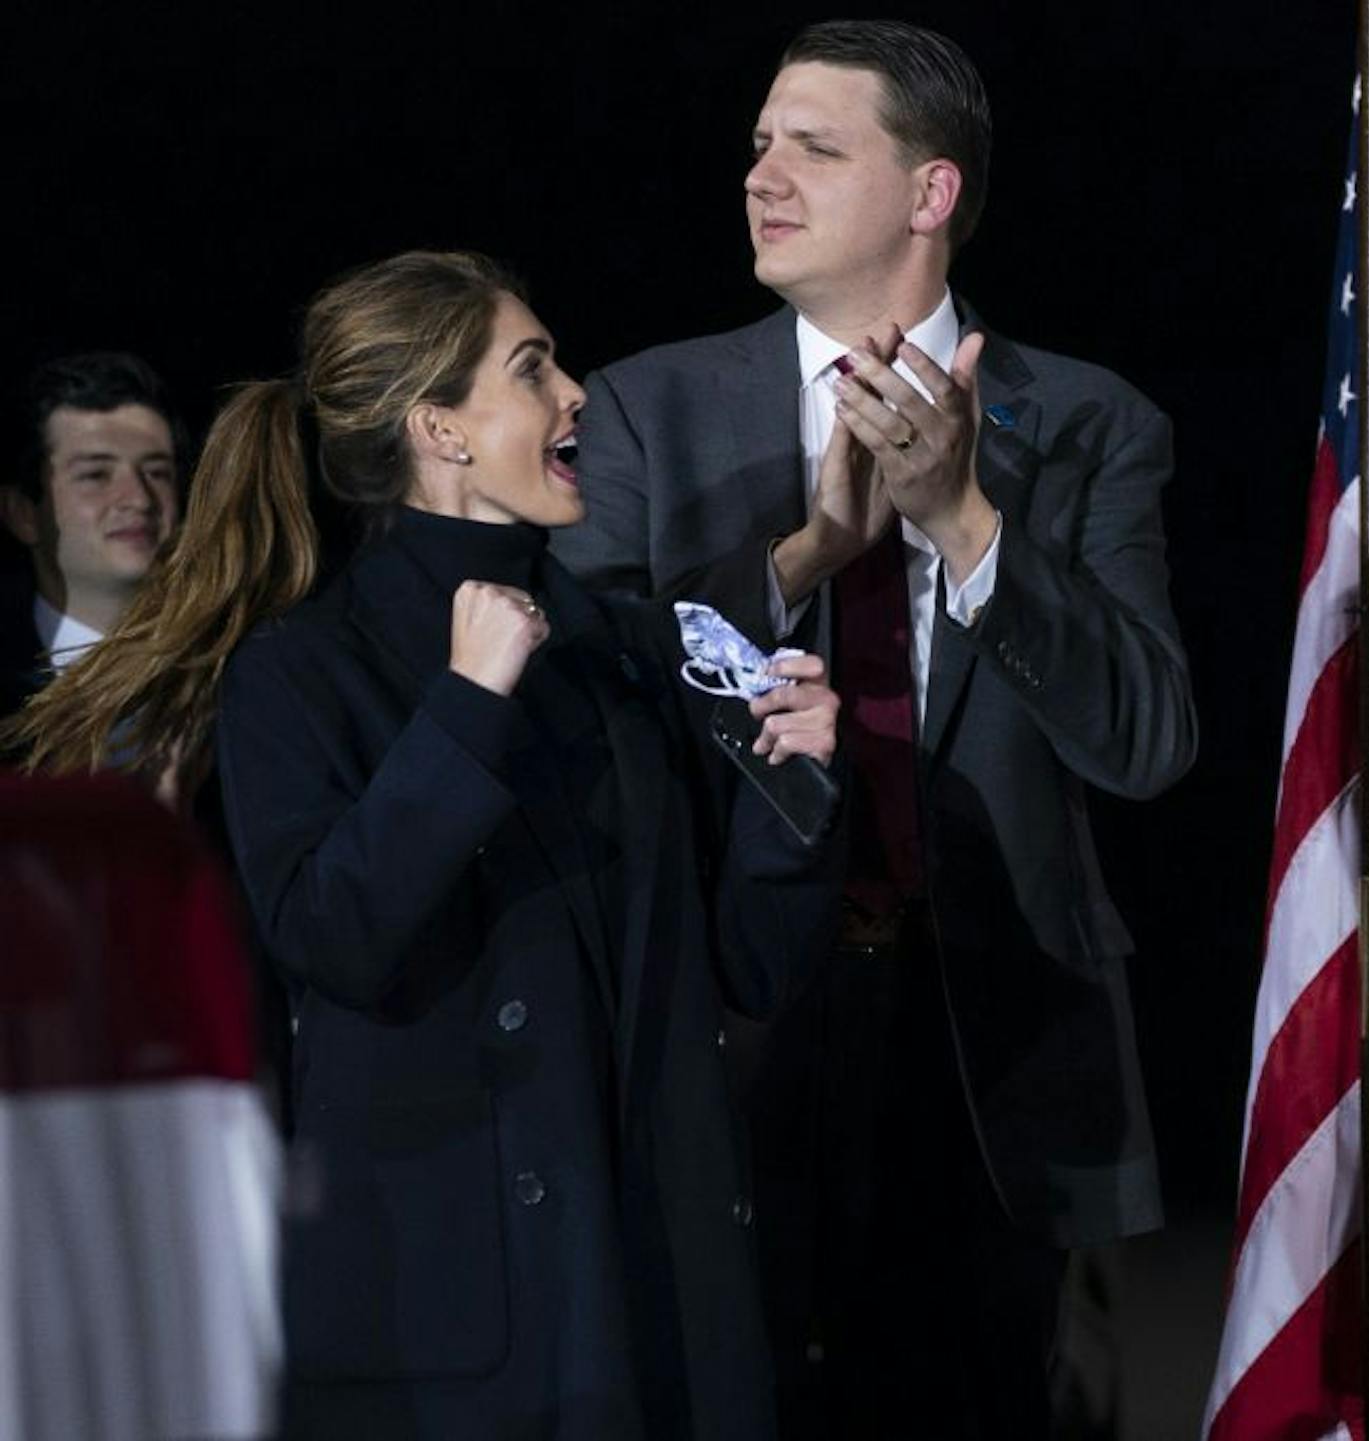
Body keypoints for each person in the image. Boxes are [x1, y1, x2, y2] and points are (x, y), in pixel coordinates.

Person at [27, 249, 844, 1439]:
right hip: (459, 1341)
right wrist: (464, 707)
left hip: (665, 1308)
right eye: (532, 369)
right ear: (440, 431)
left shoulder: (624, 653)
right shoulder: (302, 672)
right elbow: (335, 935)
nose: (576, 392)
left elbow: (753, 969)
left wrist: (794, 789)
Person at [553, 19, 1196, 1436]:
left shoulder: (1089, 423)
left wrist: (970, 524)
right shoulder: (643, 412)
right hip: (741, 1031)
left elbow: (1146, 739)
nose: (762, 176)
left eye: (815, 149)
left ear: (931, 192)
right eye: (760, 146)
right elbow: (583, 716)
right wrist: (796, 563)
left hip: (1009, 1060)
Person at [1, 352, 181, 718]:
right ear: (23, 513)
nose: (139, 499)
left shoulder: (239, 672)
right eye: (96, 475)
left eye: (157, 473)